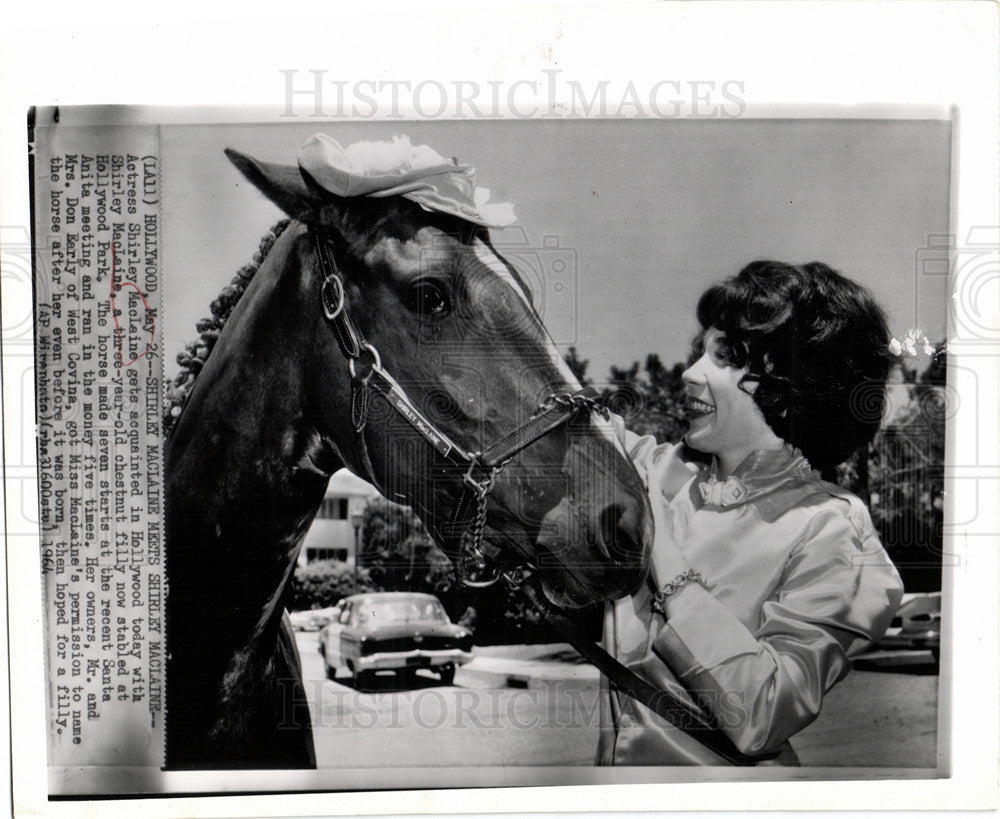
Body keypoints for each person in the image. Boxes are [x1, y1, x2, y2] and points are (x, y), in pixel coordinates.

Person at [599, 260, 904, 766]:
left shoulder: (830, 528)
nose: (690, 373)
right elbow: (553, 426)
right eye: (700, 352)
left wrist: (665, 552)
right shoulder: (659, 469)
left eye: (725, 357)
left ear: (791, 382)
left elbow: (765, 712)